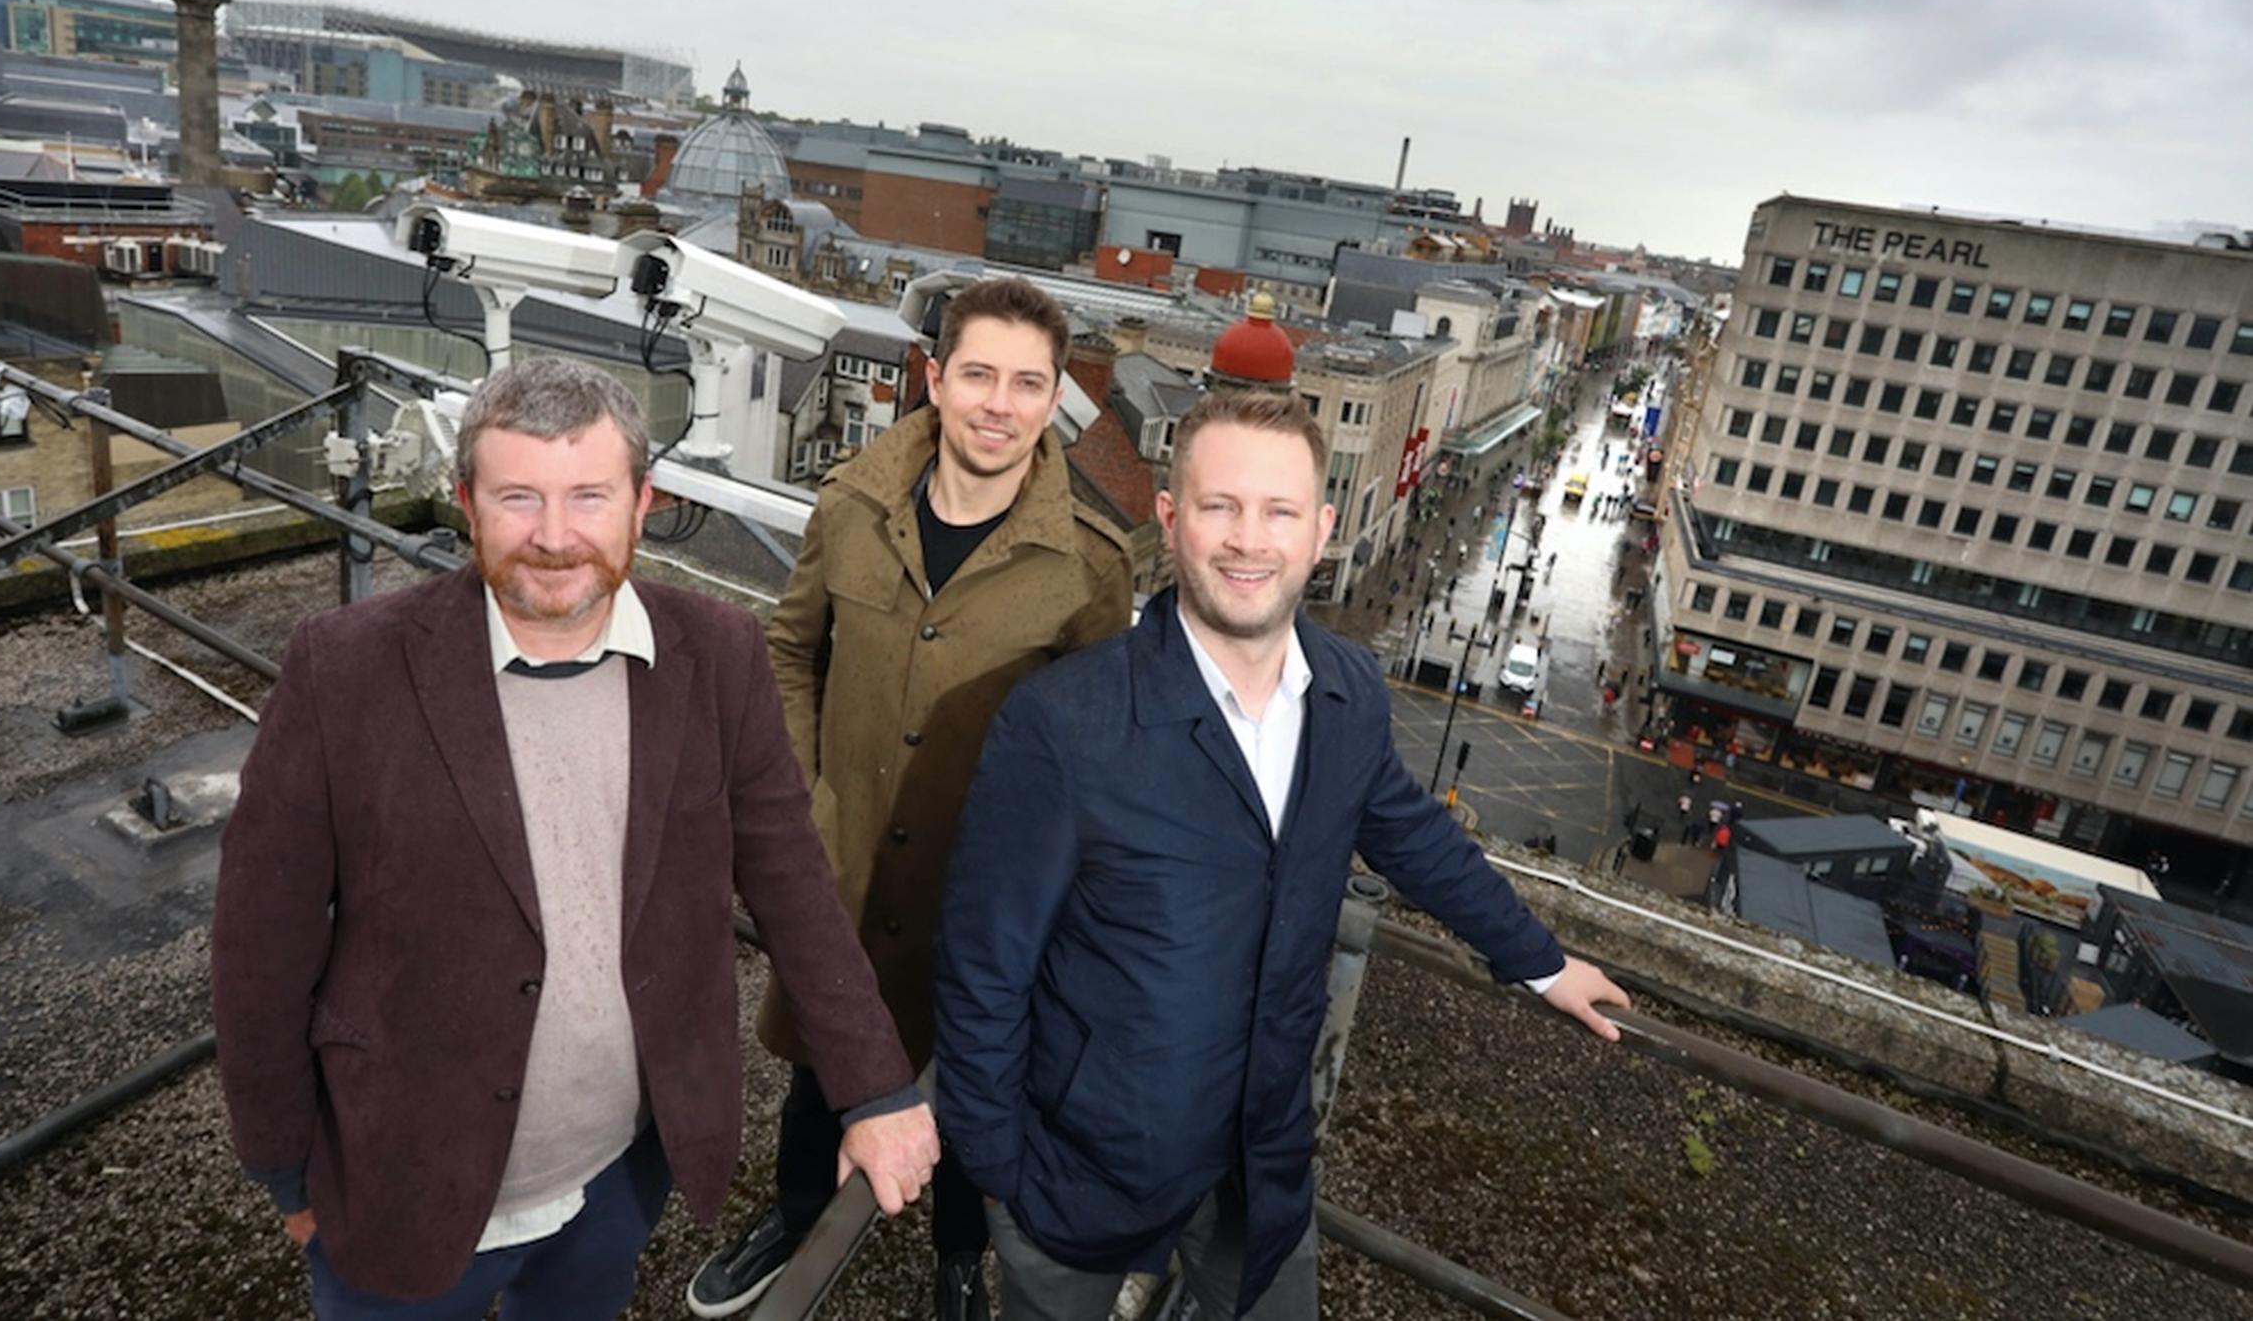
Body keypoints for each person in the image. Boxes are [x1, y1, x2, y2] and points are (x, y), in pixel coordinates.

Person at [210, 359, 939, 1320]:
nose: (554, 539)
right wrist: (286, 1175)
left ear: (645, 501)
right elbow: (262, 942)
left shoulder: (718, 655)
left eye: (588, 496)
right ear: (465, 501)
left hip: (617, 1176)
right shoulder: (344, 671)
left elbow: (790, 880)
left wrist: (875, 1090)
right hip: (400, 1182)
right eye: (519, 498)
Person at [935, 390, 1629, 1321]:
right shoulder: (1063, 725)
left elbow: (1412, 833)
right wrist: (997, 1170)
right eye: (1219, 507)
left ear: (1321, 531)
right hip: (1082, 1164)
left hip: (1259, 1156)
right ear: (1172, 520)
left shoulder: (1346, 690)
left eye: (1279, 513)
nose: (1247, 541)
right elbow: (984, 964)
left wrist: (1540, 964)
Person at [688, 279, 1133, 1321]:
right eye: (976, 373)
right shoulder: (851, 504)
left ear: (1054, 397)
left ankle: (956, 1257)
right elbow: (790, 648)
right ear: (935, 377)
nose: (998, 403)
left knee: (981, 1078)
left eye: (1028, 383)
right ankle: (797, 1214)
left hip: (985, 888)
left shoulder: (1089, 565)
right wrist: (800, 798)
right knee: (819, 1051)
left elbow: (1100, 752)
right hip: (842, 854)